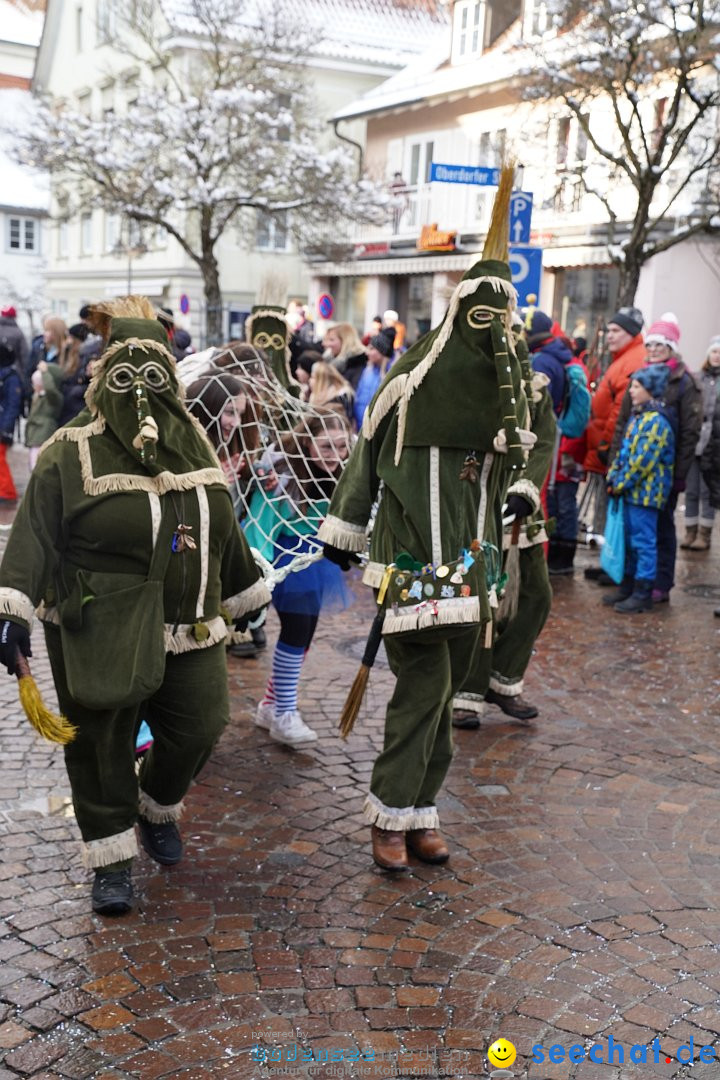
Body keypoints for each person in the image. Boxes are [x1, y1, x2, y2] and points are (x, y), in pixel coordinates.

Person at [0, 296, 270, 916]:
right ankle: (111, 858)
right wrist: (12, 608)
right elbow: (34, 534)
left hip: (191, 621)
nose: (142, 392)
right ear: (102, 377)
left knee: (202, 724)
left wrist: (242, 590)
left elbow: (219, 522)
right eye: (126, 375)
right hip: (101, 622)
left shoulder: (193, 445)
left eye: (155, 375)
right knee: (102, 740)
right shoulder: (70, 451)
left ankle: (156, 806)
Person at [318, 166, 535, 872]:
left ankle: (420, 811)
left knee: (446, 693)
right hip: (411, 558)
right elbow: (364, 458)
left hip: (474, 562)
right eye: (484, 318)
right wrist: (345, 531)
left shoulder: (510, 396)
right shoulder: (411, 380)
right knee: (425, 687)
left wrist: (523, 482)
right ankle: (388, 811)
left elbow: (532, 450)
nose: (494, 335)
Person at [454, 329, 557, 726]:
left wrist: (524, 488)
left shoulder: (535, 391)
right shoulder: (466, 386)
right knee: (480, 604)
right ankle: (467, 692)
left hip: (522, 514)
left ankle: (504, 680)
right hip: (476, 509)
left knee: (536, 596)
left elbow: (545, 440)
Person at [244, 409, 352, 746]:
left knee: (304, 636)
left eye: (340, 446)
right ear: (306, 442)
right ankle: (284, 713)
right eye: (326, 446)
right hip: (286, 558)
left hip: (318, 558)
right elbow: (260, 519)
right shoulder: (283, 473)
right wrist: (255, 575)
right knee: (296, 631)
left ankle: (271, 705)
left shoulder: (344, 472)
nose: (334, 455)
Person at [608, 313, 701, 603]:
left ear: (671, 347)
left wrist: (679, 475)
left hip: (662, 472)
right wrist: (615, 464)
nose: (654, 350)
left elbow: (689, 432)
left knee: (659, 532)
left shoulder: (684, 382)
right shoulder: (640, 376)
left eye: (661, 345)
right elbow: (623, 423)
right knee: (637, 533)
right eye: (651, 345)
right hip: (635, 471)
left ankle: (658, 584)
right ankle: (634, 581)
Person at [604, 364, 675, 613]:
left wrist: (619, 484)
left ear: (650, 390)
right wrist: (612, 477)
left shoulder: (655, 421)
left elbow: (641, 462)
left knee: (644, 543)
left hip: (646, 496)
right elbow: (624, 454)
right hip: (631, 494)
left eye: (636, 386)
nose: (631, 391)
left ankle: (643, 592)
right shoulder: (639, 417)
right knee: (631, 543)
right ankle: (628, 586)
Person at [584, 306, 645, 579]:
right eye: (607, 330)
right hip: (605, 446)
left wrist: (606, 447)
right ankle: (611, 565)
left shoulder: (632, 360)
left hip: (610, 449)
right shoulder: (623, 358)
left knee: (617, 514)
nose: (609, 336)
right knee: (609, 512)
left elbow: (619, 410)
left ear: (630, 333)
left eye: (615, 331)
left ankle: (616, 568)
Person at [681, 335, 720, 551]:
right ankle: (690, 531)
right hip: (696, 441)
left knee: (708, 492)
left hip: (714, 445)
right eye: (714, 352)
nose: (717, 356)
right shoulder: (698, 378)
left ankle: (704, 534)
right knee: (692, 490)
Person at [25, 359, 64, 470]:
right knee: (33, 467)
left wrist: (45, 372)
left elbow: (50, 389)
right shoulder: (38, 396)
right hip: (35, 438)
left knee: (39, 468)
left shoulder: (54, 398)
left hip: (43, 436)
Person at [353, 328, 394, 429]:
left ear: (381, 352)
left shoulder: (390, 374)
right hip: (359, 426)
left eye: (371, 349)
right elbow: (359, 396)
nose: (367, 352)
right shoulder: (367, 371)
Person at [321, 323, 367, 389]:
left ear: (345, 340)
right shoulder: (329, 361)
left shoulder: (357, 364)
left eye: (331, 340)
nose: (326, 344)